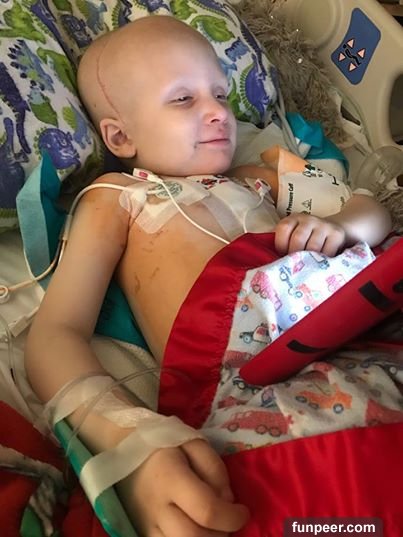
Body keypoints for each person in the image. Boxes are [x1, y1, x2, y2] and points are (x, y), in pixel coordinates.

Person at [25, 15, 392, 537]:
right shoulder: (118, 199)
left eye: (220, 94)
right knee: (331, 500)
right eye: (183, 99)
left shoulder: (255, 181)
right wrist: (132, 441)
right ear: (120, 135)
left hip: (360, 319)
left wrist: (341, 226)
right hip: (258, 378)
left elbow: (371, 209)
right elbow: (55, 334)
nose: (219, 111)